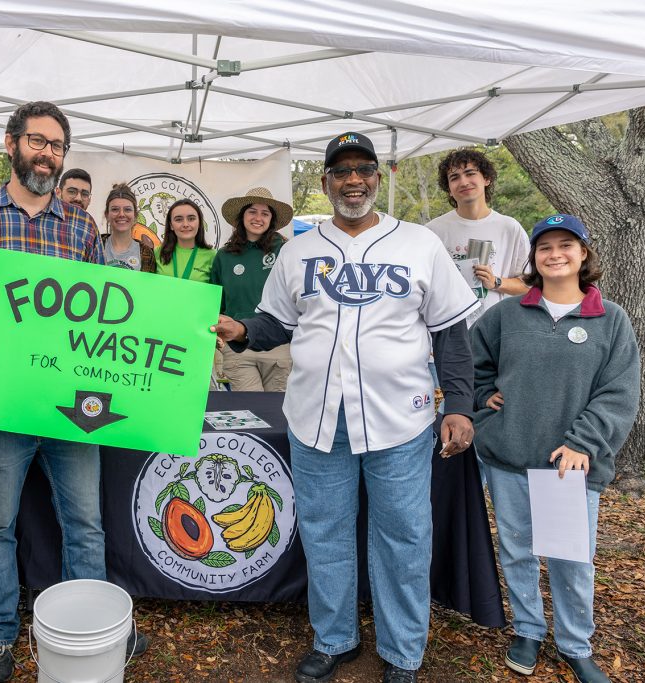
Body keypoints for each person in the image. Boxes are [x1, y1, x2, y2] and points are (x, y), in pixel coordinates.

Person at [213, 131, 479, 683]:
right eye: (341, 171)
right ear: (327, 180)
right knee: (325, 532)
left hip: (399, 417)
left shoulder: (418, 244)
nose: (352, 179)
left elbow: (452, 333)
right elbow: (275, 324)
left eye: (363, 169)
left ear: (377, 178)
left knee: (404, 536)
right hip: (316, 417)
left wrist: (459, 405)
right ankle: (334, 638)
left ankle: (402, 651)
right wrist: (241, 331)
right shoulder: (298, 249)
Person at [0, 101, 147, 683]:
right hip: (2, 405)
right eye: (39, 142)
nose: (49, 154)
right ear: (11, 143)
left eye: (58, 146)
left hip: (73, 408)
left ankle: (89, 625)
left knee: (85, 524)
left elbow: (107, 314)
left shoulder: (80, 228)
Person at [471, 214, 638, 683]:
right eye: (545, 247)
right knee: (518, 549)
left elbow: (619, 391)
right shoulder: (506, 314)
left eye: (567, 245)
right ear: (535, 258)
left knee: (569, 556)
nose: (556, 254)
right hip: (510, 455)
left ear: (584, 254)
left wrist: (583, 442)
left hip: (569, 465)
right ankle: (527, 628)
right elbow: (471, 362)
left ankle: (574, 642)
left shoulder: (611, 318)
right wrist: (484, 398)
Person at [427, 148, 530, 327]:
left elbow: (528, 286)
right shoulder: (433, 231)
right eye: (455, 177)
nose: (464, 182)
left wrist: (496, 282)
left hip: (495, 330)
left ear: (486, 179)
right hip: (448, 331)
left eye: (470, 173)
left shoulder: (509, 227)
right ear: (449, 189)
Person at [210, 187, 292, 391]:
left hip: (279, 347)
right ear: (242, 216)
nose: (258, 218)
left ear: (271, 220)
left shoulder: (285, 250)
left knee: (277, 414)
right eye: (252, 211)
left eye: (265, 213)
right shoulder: (224, 255)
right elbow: (216, 303)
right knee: (251, 413)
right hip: (239, 347)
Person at [154, 198, 216, 283]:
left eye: (191, 219)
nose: (185, 224)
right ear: (171, 225)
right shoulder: (157, 253)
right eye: (179, 219)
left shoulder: (212, 256)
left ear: (199, 223)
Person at [102, 182, 155, 272]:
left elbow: (148, 286)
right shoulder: (96, 244)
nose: (121, 214)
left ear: (135, 216)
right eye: (115, 209)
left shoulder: (146, 253)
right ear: (107, 215)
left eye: (127, 209)